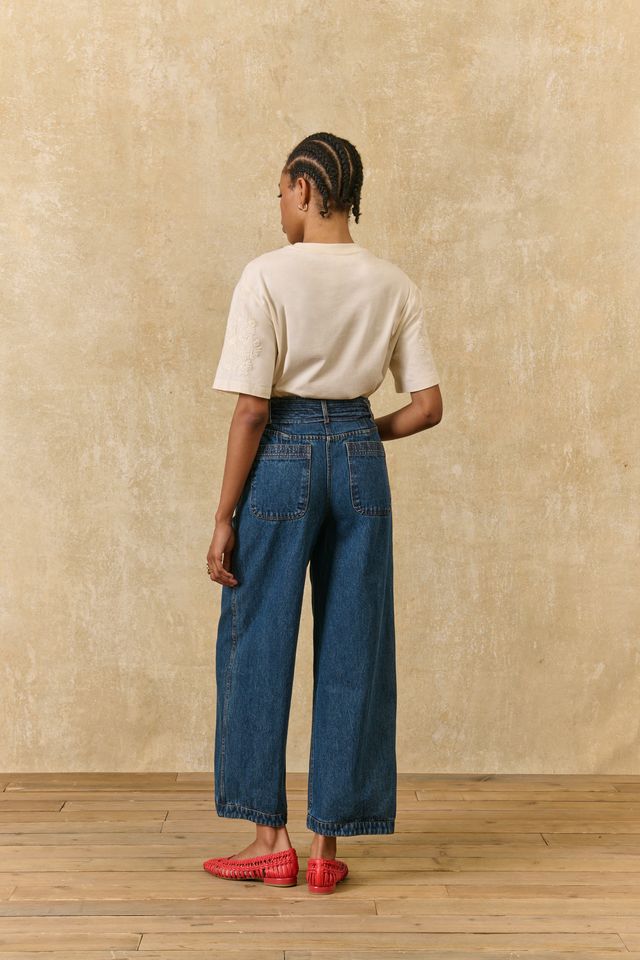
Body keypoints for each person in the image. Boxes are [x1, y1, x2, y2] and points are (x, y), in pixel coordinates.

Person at [202, 132, 443, 894]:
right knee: (354, 646)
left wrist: (223, 514)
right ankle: (327, 845)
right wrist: (357, 437)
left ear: (304, 187)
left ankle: (268, 840)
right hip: (361, 459)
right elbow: (428, 406)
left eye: (280, 191)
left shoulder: (266, 275)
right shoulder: (393, 283)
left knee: (257, 638)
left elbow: (251, 410)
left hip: (282, 453)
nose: (279, 206)